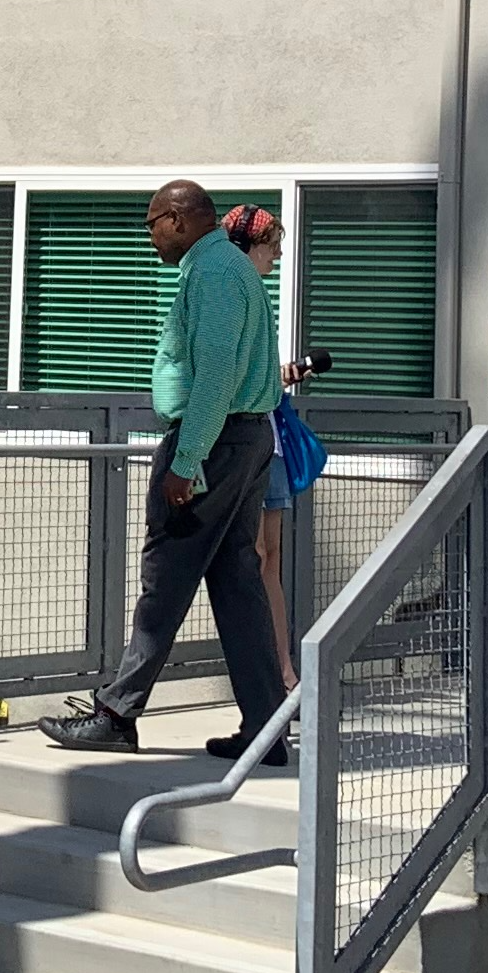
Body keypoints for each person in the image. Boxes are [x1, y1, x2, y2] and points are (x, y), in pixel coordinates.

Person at [45, 180, 291, 756]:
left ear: (178, 218)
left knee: (167, 577)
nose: (149, 234)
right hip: (240, 440)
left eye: (152, 222)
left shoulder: (214, 272)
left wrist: (186, 460)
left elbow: (215, 377)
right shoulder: (224, 269)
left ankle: (116, 713)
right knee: (236, 583)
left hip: (215, 443)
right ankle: (265, 730)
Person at [225, 204, 297, 682]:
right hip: (246, 443)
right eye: (272, 248)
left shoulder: (251, 294)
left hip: (265, 439)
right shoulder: (232, 292)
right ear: (250, 247)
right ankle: (273, 676)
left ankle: (282, 673)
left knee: (267, 558)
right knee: (253, 560)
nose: (276, 258)